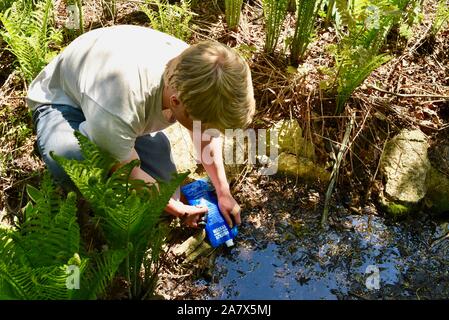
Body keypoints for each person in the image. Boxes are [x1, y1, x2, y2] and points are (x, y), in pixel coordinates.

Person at [26, 25, 256, 228]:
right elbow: (125, 170)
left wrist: (223, 191)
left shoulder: (199, 72)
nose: (209, 133)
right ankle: (56, 138)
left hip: (110, 110)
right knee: (73, 160)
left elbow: (206, 133)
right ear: (176, 102)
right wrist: (177, 209)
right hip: (63, 101)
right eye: (204, 126)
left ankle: (119, 141)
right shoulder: (121, 105)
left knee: (167, 189)